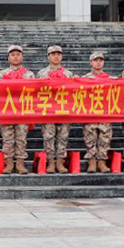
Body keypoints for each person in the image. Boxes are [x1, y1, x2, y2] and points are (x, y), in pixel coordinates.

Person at [0, 45, 35, 174]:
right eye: (12, 55)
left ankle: (20, 163)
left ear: (22, 57)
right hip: (7, 111)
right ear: (8, 58)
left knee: (21, 138)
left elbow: (35, 91)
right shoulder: (1, 74)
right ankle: (9, 163)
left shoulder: (29, 74)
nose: (15, 57)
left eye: (18, 54)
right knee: (7, 138)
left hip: (23, 111)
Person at [36, 45, 73, 173]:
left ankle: (60, 162)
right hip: (48, 109)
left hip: (64, 108)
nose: (56, 56)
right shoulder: (41, 74)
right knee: (48, 136)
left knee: (63, 136)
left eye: (58, 54)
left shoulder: (68, 74)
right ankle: (50, 162)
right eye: (53, 54)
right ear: (48, 56)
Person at [83, 51, 113, 173]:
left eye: (101, 60)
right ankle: (91, 161)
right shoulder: (84, 79)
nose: (98, 63)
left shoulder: (110, 79)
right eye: (95, 60)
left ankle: (102, 162)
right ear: (91, 62)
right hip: (90, 113)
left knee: (105, 138)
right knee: (90, 137)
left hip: (105, 112)